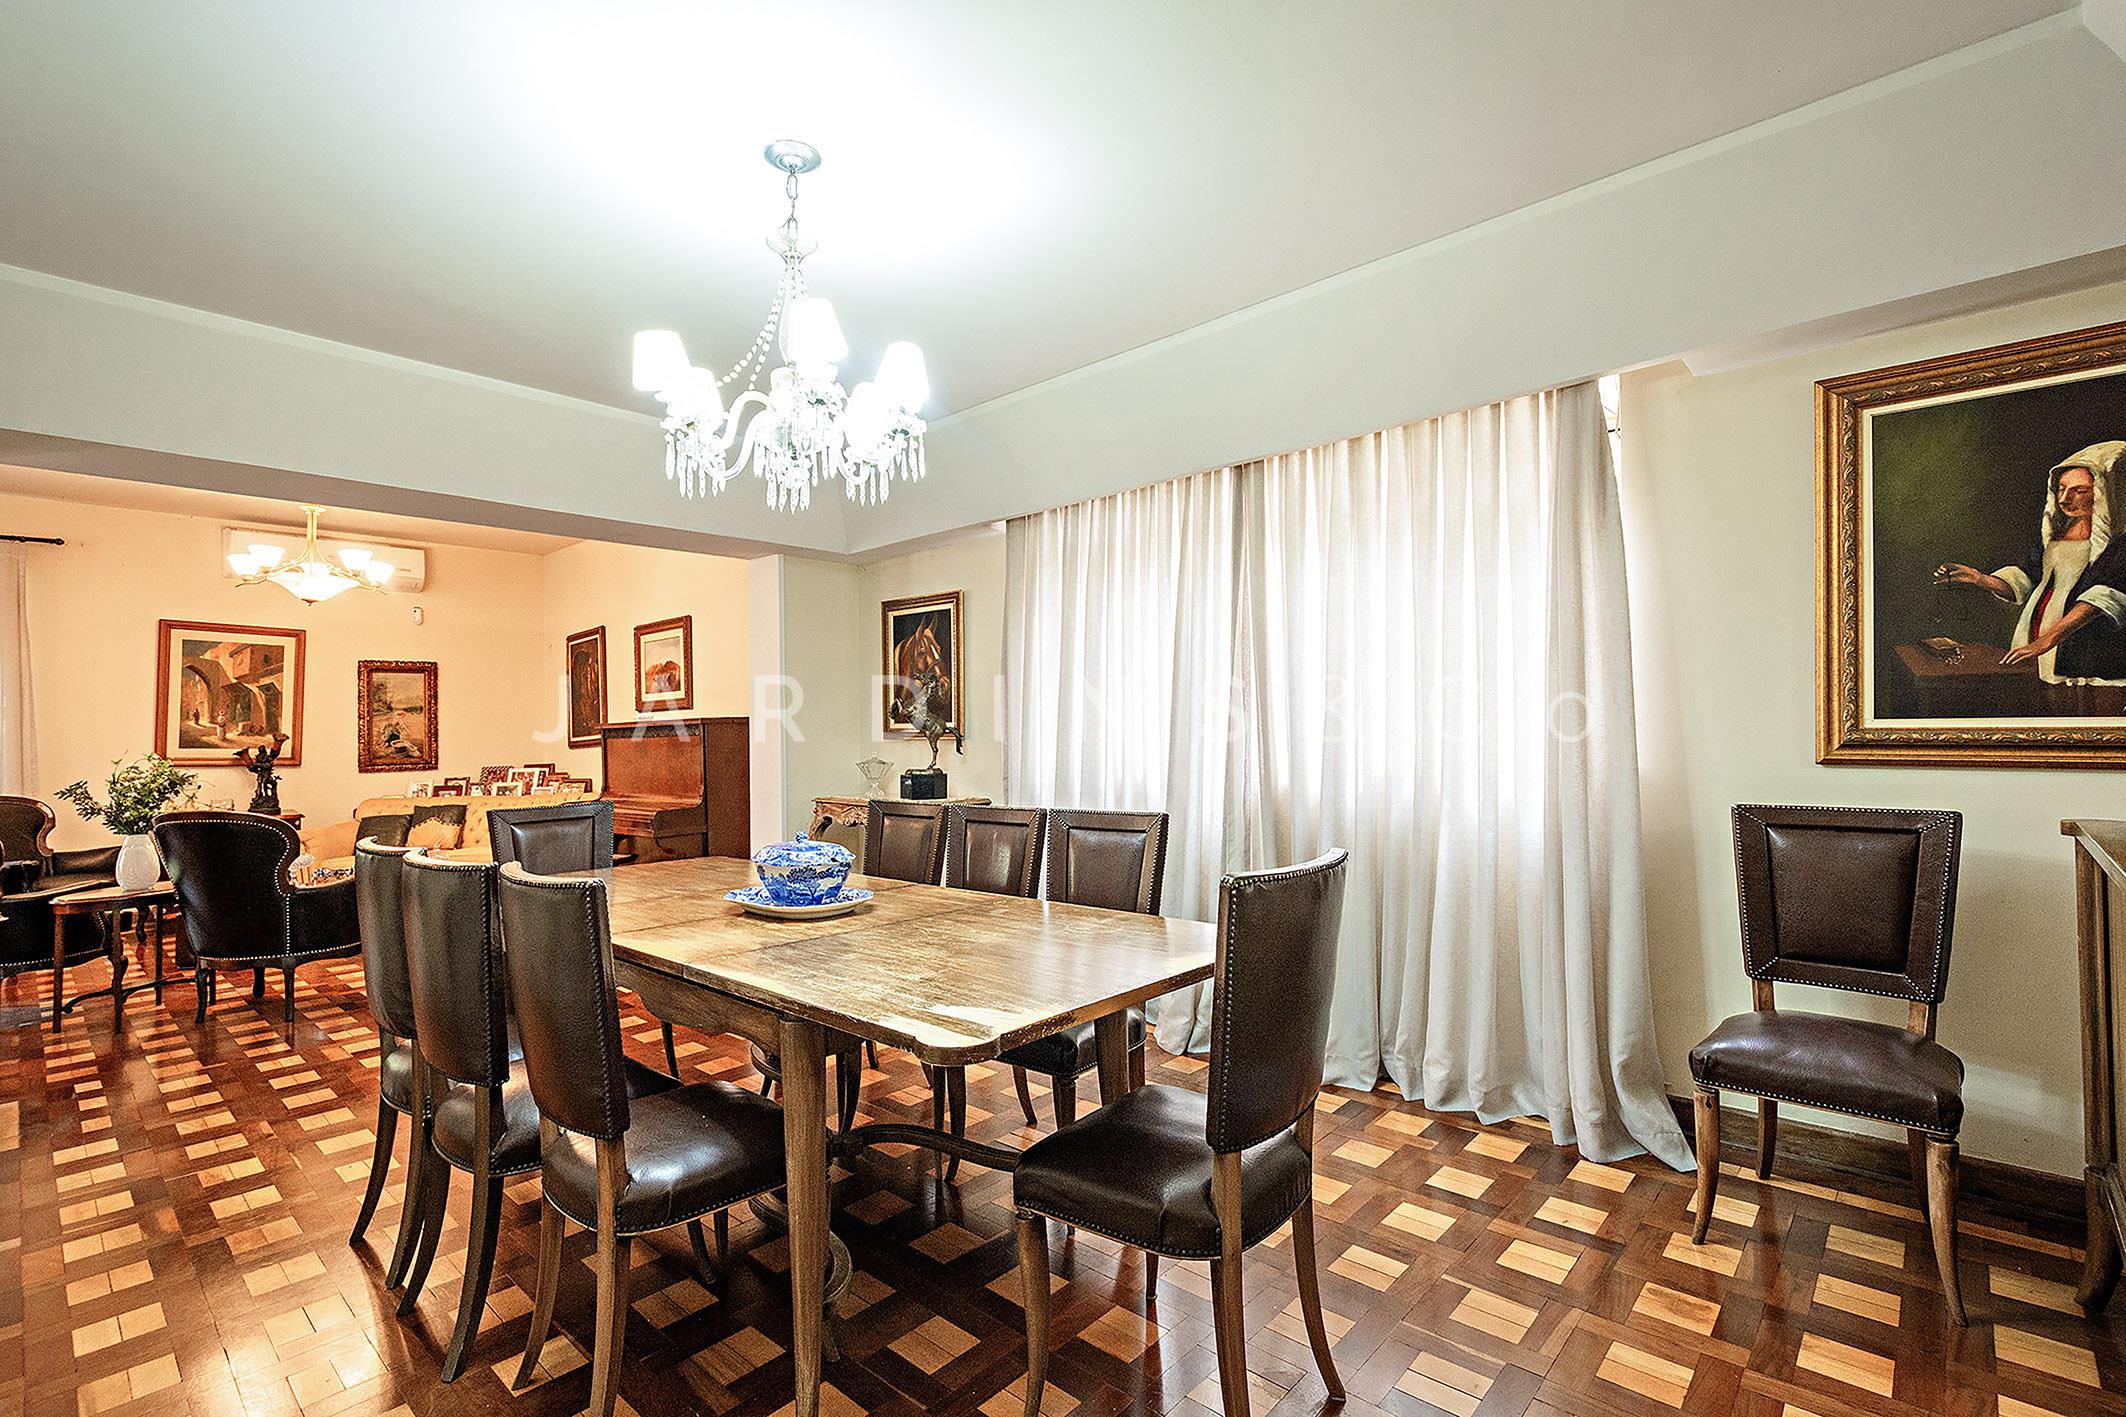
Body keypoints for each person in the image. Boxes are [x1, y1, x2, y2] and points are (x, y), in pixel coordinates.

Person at [1933, 441, 2126, 684]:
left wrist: (2046, 641)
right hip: (2035, 633)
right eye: (2062, 489)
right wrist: (1979, 579)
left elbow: (2101, 598)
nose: (2064, 499)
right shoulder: (2055, 532)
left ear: (2104, 491)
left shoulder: (2119, 541)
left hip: (2082, 641)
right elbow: (2028, 580)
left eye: (2079, 491)